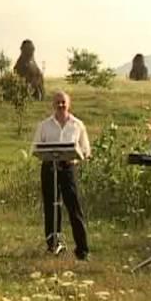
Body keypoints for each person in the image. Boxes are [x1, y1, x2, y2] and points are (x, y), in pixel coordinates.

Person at [32, 90, 90, 260]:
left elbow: (86, 150)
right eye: (57, 102)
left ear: (69, 104)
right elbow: (36, 147)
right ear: (53, 104)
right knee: (51, 207)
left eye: (63, 102)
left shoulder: (77, 125)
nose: (60, 105)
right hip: (49, 168)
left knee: (74, 208)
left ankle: (82, 250)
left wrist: (75, 160)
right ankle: (53, 245)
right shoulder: (44, 125)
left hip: (68, 168)